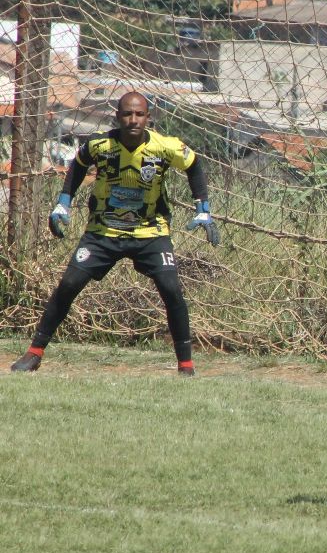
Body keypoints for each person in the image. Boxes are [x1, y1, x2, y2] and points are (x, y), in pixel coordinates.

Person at [10, 91, 219, 376]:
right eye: (127, 114)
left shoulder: (165, 146)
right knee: (69, 284)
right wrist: (63, 203)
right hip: (103, 232)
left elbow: (193, 165)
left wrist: (202, 208)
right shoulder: (100, 145)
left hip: (150, 232)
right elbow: (78, 164)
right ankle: (34, 353)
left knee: (171, 289)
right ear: (118, 116)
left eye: (139, 114)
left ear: (148, 118)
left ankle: (186, 366)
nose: (133, 120)